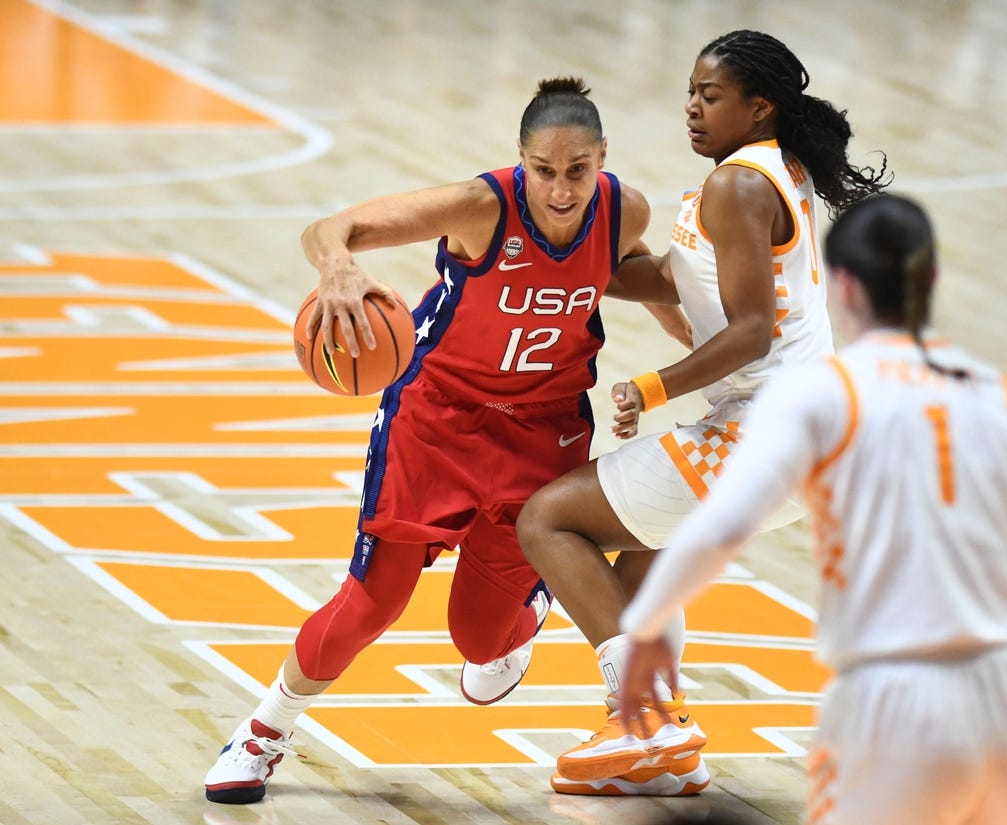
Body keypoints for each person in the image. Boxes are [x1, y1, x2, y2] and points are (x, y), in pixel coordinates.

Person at [203, 76, 689, 805]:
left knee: (481, 642)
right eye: (545, 171)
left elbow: (645, 284)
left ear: (602, 159)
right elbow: (329, 228)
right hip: (436, 421)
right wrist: (338, 269)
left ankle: (528, 612)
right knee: (373, 602)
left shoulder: (624, 211)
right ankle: (264, 731)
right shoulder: (480, 207)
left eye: (578, 171)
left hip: (542, 433)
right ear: (520, 161)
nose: (561, 190)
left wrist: (702, 362)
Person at [616, 193, 1007, 824]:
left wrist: (647, 627)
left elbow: (718, 530)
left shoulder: (820, 397)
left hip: (897, 699)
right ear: (931, 279)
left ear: (841, 286)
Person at [516, 29, 890, 797]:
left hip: (765, 431)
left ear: (760, 108)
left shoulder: (738, 186)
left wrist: (649, 388)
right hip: (796, 435)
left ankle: (643, 721)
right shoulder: (767, 170)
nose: (691, 107)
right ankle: (667, 760)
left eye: (709, 96)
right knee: (645, 563)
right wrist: (571, 252)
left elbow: (751, 326)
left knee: (548, 520)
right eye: (690, 90)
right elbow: (671, 276)